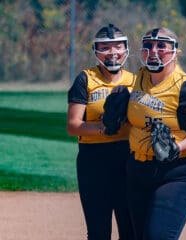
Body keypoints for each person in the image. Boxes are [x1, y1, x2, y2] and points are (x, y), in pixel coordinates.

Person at [126, 27, 186, 240]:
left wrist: (177, 148)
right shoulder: (138, 79)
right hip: (139, 170)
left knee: (157, 236)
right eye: (149, 45)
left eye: (161, 45)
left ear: (175, 52)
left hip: (180, 171)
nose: (154, 51)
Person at [67, 23, 135, 240]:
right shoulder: (85, 79)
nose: (112, 52)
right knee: (98, 232)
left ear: (126, 49)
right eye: (105, 47)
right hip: (94, 159)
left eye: (117, 47)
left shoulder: (137, 81)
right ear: (96, 51)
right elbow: (73, 125)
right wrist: (103, 129)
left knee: (130, 228)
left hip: (128, 157)